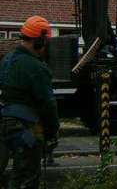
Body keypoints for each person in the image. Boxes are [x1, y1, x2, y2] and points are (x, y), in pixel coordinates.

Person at [0, 16, 59, 188]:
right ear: (40, 41)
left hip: (4, 123)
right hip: (26, 129)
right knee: (27, 178)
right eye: (45, 42)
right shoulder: (37, 68)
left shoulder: (6, 60)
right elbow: (48, 104)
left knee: (15, 178)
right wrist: (52, 131)